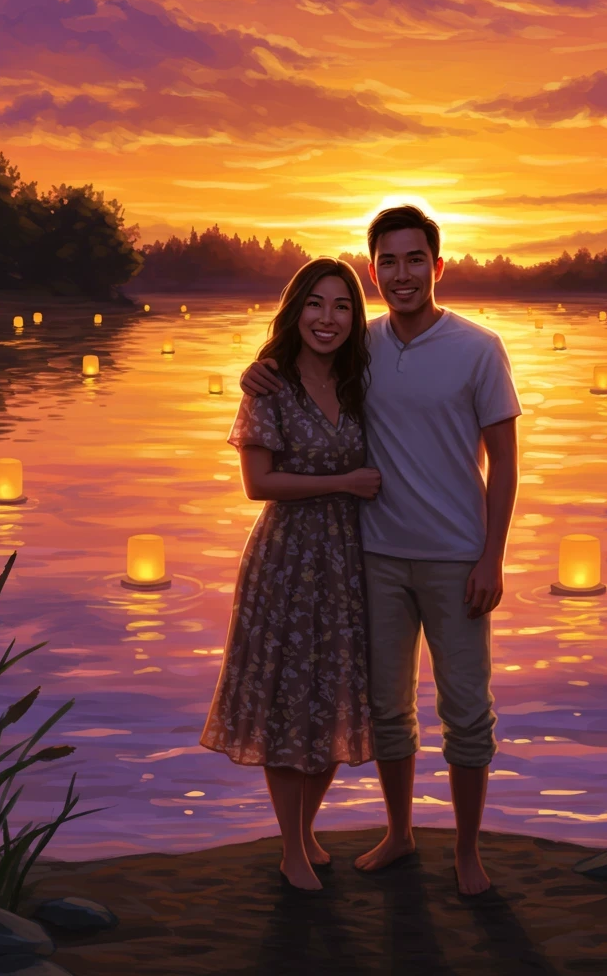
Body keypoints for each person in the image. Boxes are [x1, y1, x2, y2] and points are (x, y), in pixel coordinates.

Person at [241, 205, 521, 895]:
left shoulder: (479, 348)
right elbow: (298, 363)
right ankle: (399, 833)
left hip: (458, 559)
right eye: (388, 262)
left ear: (437, 266)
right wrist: (258, 367)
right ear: (374, 271)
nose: (402, 274)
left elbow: (506, 464)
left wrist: (493, 557)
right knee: (389, 711)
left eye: (414, 259)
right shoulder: (358, 349)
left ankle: (467, 852)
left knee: (466, 712)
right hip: (374, 558)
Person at [200, 258, 381, 892]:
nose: (328, 318)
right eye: (315, 303)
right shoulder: (269, 385)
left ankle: (305, 830)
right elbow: (258, 483)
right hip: (287, 560)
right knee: (286, 701)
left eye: (342, 306)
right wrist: (344, 483)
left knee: (333, 698)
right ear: (295, 310)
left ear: (355, 317)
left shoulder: (360, 381)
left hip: (348, 560)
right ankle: (291, 848)